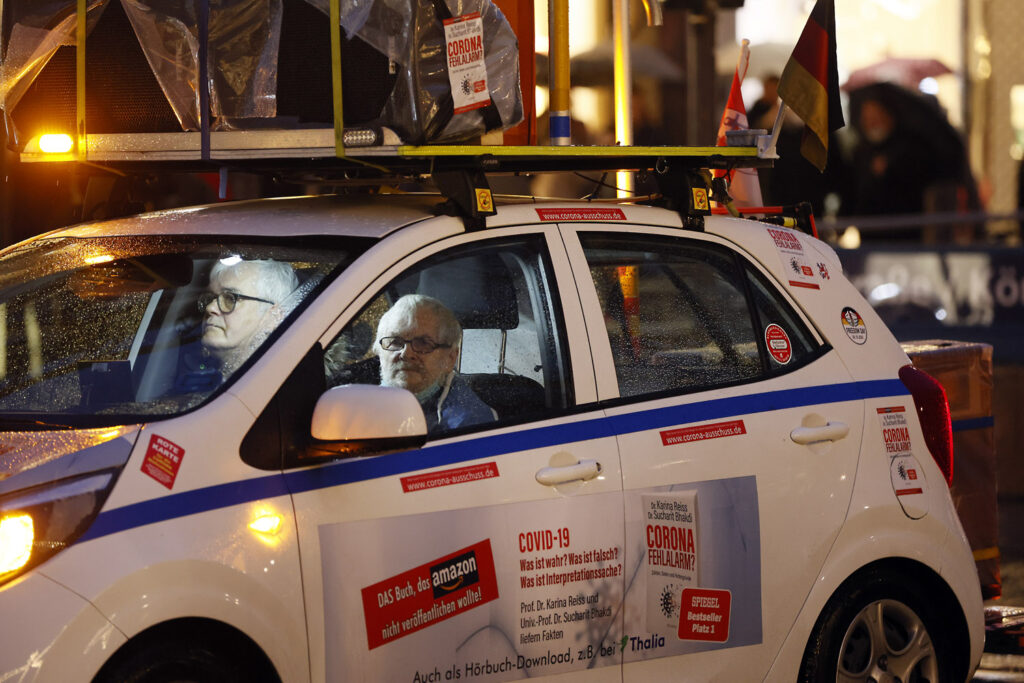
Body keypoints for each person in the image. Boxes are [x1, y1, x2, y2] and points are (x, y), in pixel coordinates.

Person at [375, 294, 495, 433]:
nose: (406, 354)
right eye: (395, 341)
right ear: (377, 351)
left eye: (423, 343)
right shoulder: (360, 401)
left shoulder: (467, 424)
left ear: (450, 358)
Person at [198, 258, 299, 378]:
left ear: (273, 316)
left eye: (230, 298)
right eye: (210, 298)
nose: (210, 307)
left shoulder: (278, 385)